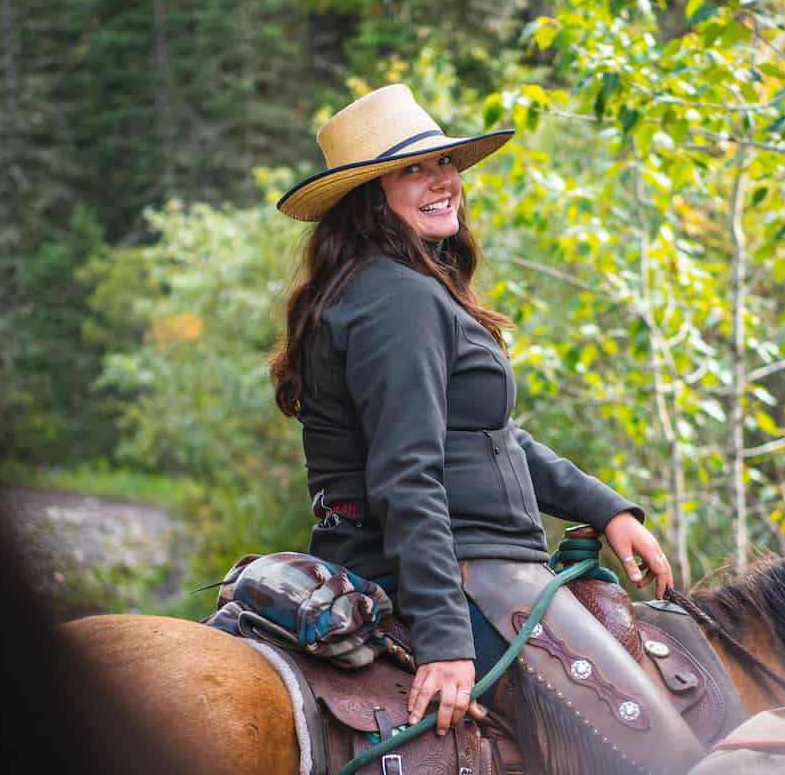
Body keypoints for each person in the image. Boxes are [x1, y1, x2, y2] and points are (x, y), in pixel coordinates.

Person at [266, 85, 687, 759]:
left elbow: (491, 439)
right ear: (370, 198)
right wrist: (443, 640)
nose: (444, 181)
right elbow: (408, 474)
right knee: (656, 756)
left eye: (446, 163)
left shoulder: (392, 289)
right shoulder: (396, 300)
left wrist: (607, 510)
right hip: (453, 576)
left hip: (471, 566)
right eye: (413, 169)